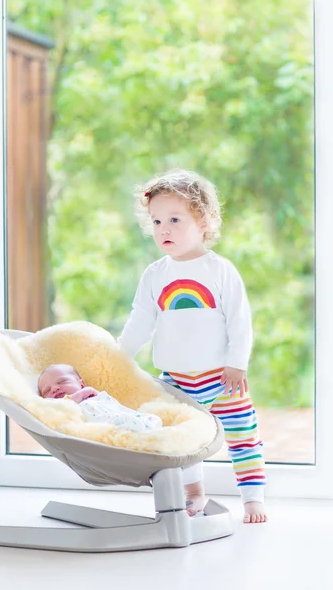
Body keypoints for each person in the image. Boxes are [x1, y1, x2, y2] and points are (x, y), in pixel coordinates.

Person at [118, 169, 267, 524]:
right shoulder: (155, 274)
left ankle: (253, 499)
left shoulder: (220, 270)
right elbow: (140, 321)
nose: (163, 229)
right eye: (156, 221)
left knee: (243, 435)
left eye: (174, 219)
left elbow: (239, 322)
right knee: (184, 442)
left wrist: (237, 363)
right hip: (175, 379)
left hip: (223, 377)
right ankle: (194, 493)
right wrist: (118, 357)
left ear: (202, 221)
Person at [38, 364, 162, 432]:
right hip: (108, 427)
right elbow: (58, 408)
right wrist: (80, 394)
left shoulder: (93, 396)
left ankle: (149, 428)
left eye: (62, 381)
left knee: (153, 419)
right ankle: (142, 431)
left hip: (122, 415)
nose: (54, 389)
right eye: (47, 390)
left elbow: (115, 406)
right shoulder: (56, 406)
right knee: (124, 422)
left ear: (81, 384)